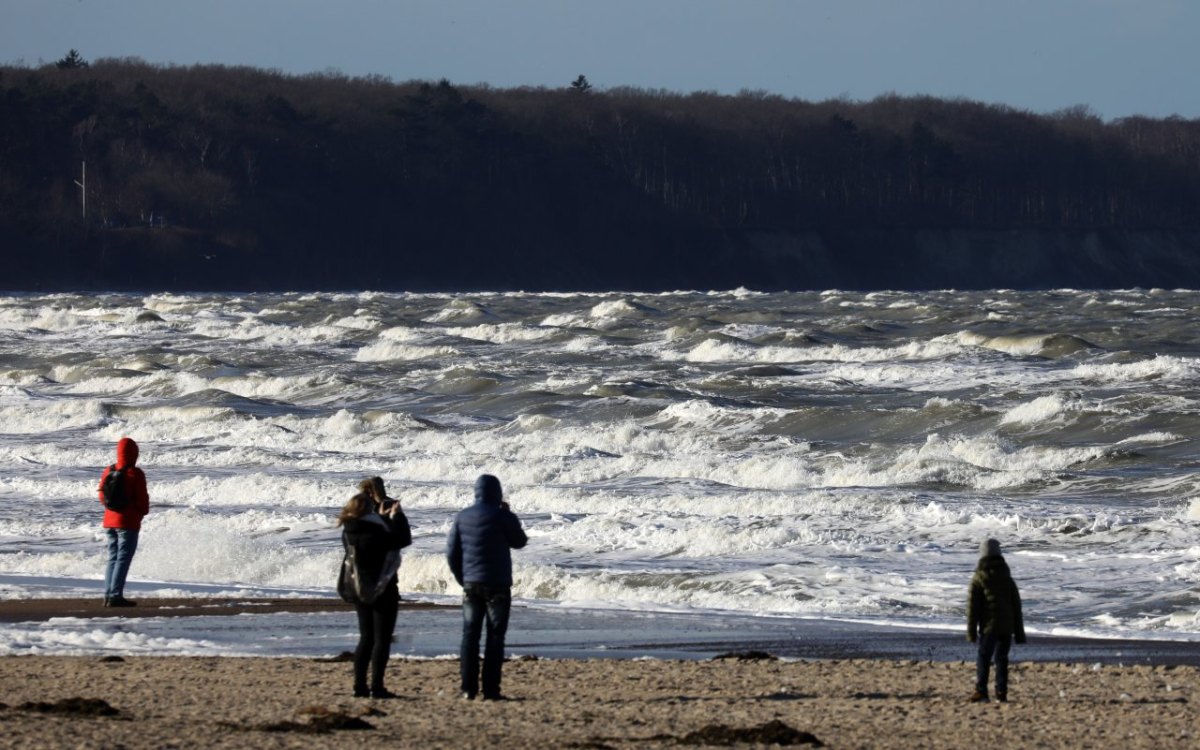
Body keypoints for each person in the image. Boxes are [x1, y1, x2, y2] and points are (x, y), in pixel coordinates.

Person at [446, 474, 527, 700]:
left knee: (469, 636)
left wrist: (462, 578)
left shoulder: (462, 517)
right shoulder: (502, 516)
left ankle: (467, 689)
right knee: (495, 637)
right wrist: (509, 515)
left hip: (472, 584)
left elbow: (452, 553)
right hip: (498, 584)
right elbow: (519, 541)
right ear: (497, 493)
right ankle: (491, 690)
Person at [337, 487, 412, 698]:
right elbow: (400, 540)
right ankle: (377, 686)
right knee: (382, 638)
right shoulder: (375, 530)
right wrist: (398, 517)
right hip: (383, 588)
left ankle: (359, 686)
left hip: (359, 588)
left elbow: (377, 540)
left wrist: (382, 520)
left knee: (366, 638)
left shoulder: (349, 530)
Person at [967, 538, 1027, 702]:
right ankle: (1001, 692)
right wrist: (1020, 634)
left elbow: (973, 608)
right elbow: (1017, 606)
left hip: (988, 626)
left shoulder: (979, 578)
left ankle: (981, 691)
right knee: (1001, 659)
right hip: (1006, 626)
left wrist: (971, 632)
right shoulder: (1007, 578)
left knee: (983, 657)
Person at [97, 437, 150, 607]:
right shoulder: (135, 473)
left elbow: (101, 496)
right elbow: (143, 501)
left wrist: (111, 511)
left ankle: (108, 594)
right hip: (128, 522)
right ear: (134, 453)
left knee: (113, 557)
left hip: (109, 521)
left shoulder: (108, 470)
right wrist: (141, 513)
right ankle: (115, 595)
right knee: (123, 558)